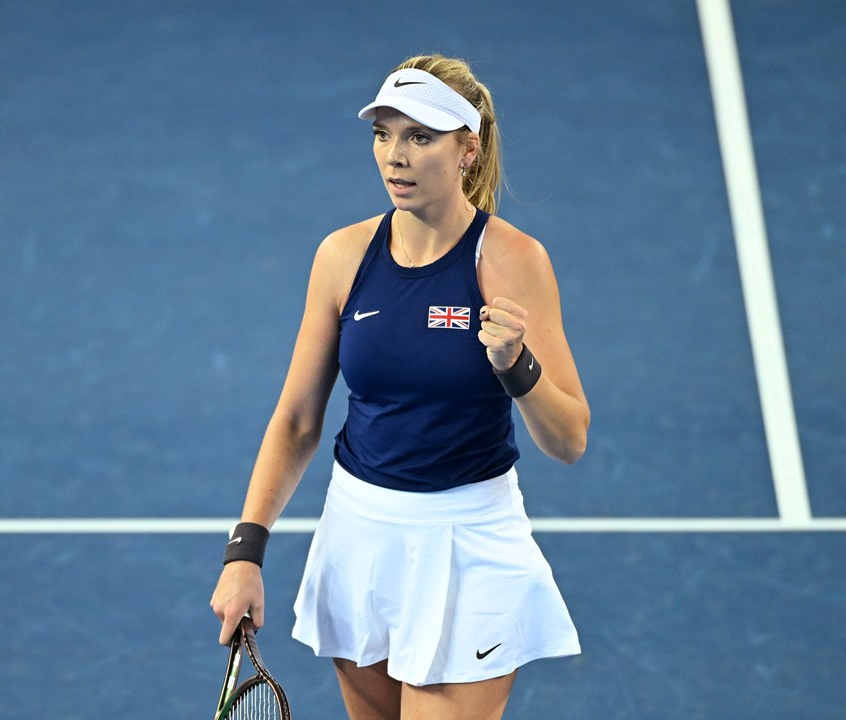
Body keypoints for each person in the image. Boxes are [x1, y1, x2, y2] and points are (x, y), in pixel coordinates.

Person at [211, 54, 590, 720]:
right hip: (361, 538)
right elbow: (298, 420)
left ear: (468, 149)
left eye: (420, 136)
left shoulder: (512, 261)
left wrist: (517, 365)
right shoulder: (342, 256)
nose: (395, 155)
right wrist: (245, 552)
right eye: (384, 133)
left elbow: (569, 439)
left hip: (467, 544)